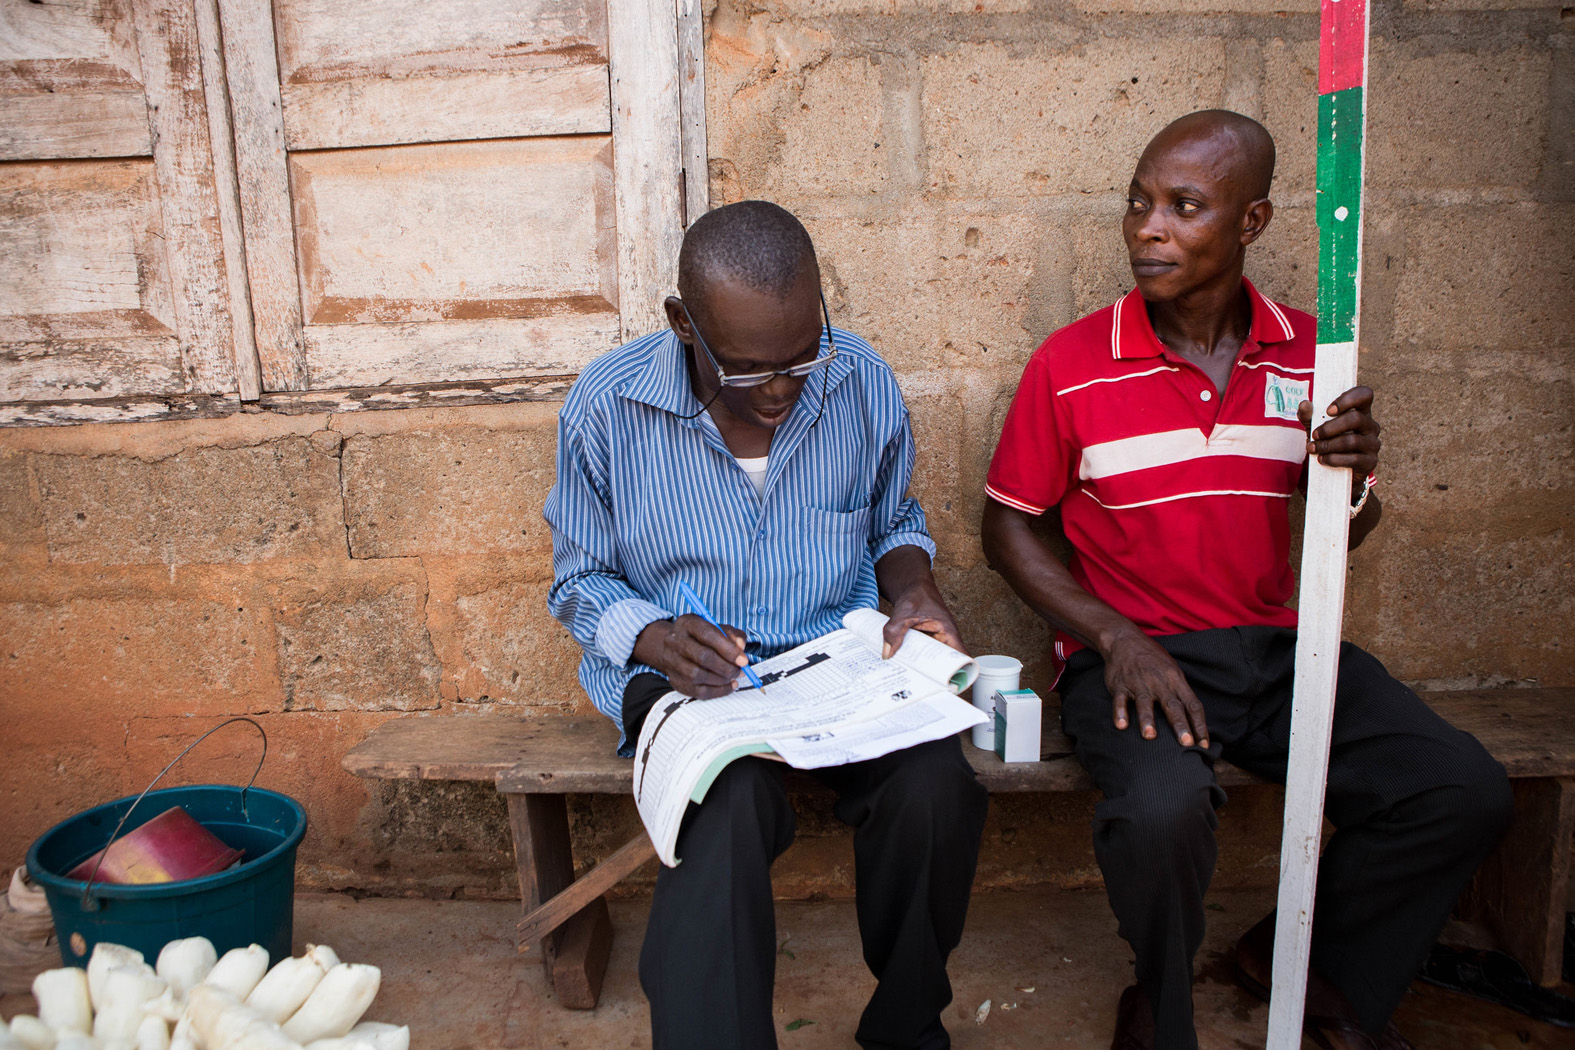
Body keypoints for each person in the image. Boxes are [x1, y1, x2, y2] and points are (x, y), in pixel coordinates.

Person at [980, 111, 1512, 1050]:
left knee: (1460, 789)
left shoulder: (1311, 354)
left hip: (1277, 653)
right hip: (1137, 660)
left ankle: (1313, 969)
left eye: (1183, 207)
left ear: (1251, 222)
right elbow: (1007, 528)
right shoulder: (1071, 364)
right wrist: (1114, 637)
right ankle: (1160, 998)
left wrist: (1347, 480)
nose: (1148, 228)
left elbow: (1346, 529)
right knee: (1159, 814)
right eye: (1138, 203)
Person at [544, 200, 988, 1050]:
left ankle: (907, 1026)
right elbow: (578, 580)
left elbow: (893, 522)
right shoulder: (608, 405)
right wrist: (655, 637)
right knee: (724, 805)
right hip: (687, 676)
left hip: (833, 664)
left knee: (935, 789)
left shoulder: (857, 380)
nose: (783, 389)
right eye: (749, 370)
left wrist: (914, 590)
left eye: (800, 356)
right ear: (683, 324)